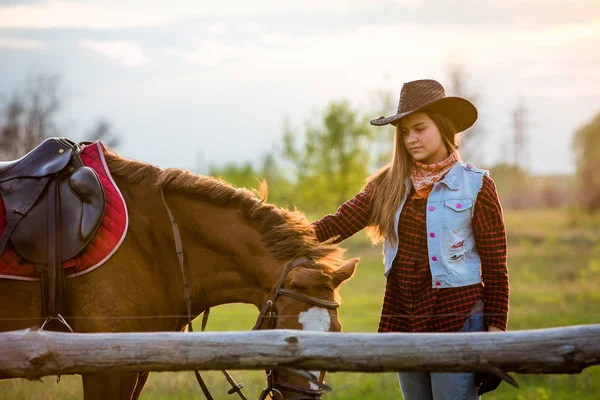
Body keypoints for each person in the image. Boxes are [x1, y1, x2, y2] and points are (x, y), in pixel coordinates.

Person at [310, 79, 510, 399]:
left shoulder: (477, 186)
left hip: (457, 317)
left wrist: (496, 333)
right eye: (404, 132)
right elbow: (337, 223)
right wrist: (278, 235)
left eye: (419, 128)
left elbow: (496, 267)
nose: (410, 139)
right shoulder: (388, 185)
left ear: (443, 129)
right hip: (404, 318)